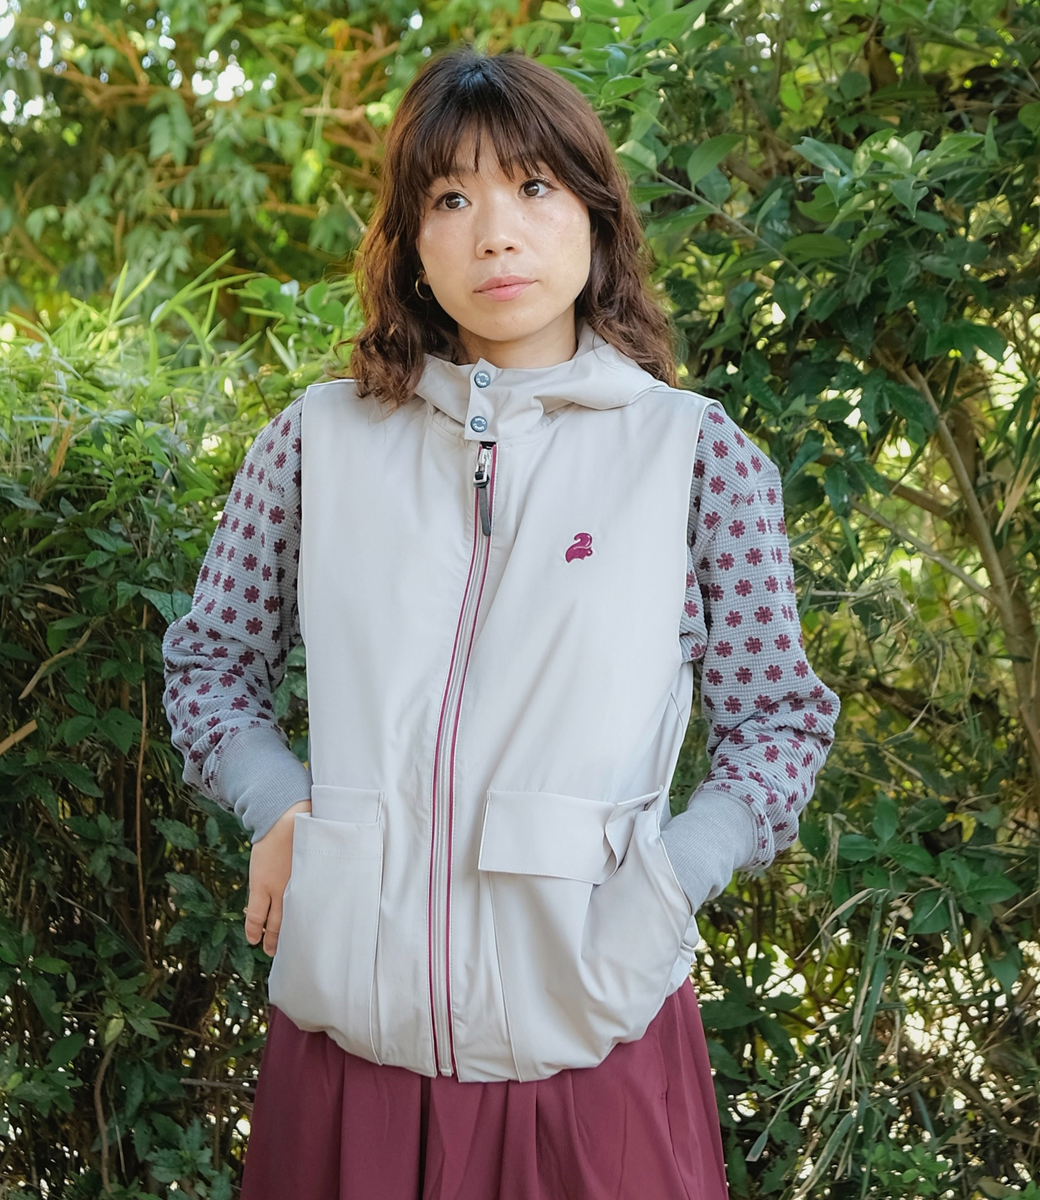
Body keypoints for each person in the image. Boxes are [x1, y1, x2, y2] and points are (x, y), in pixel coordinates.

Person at [161, 45, 840, 1200]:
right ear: (411, 244)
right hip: (349, 1062)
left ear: (596, 216)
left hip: (594, 1056)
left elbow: (779, 721)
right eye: (450, 198)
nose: (495, 234)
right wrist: (278, 803)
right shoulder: (315, 443)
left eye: (533, 188)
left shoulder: (693, 457)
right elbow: (212, 664)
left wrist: (667, 884)